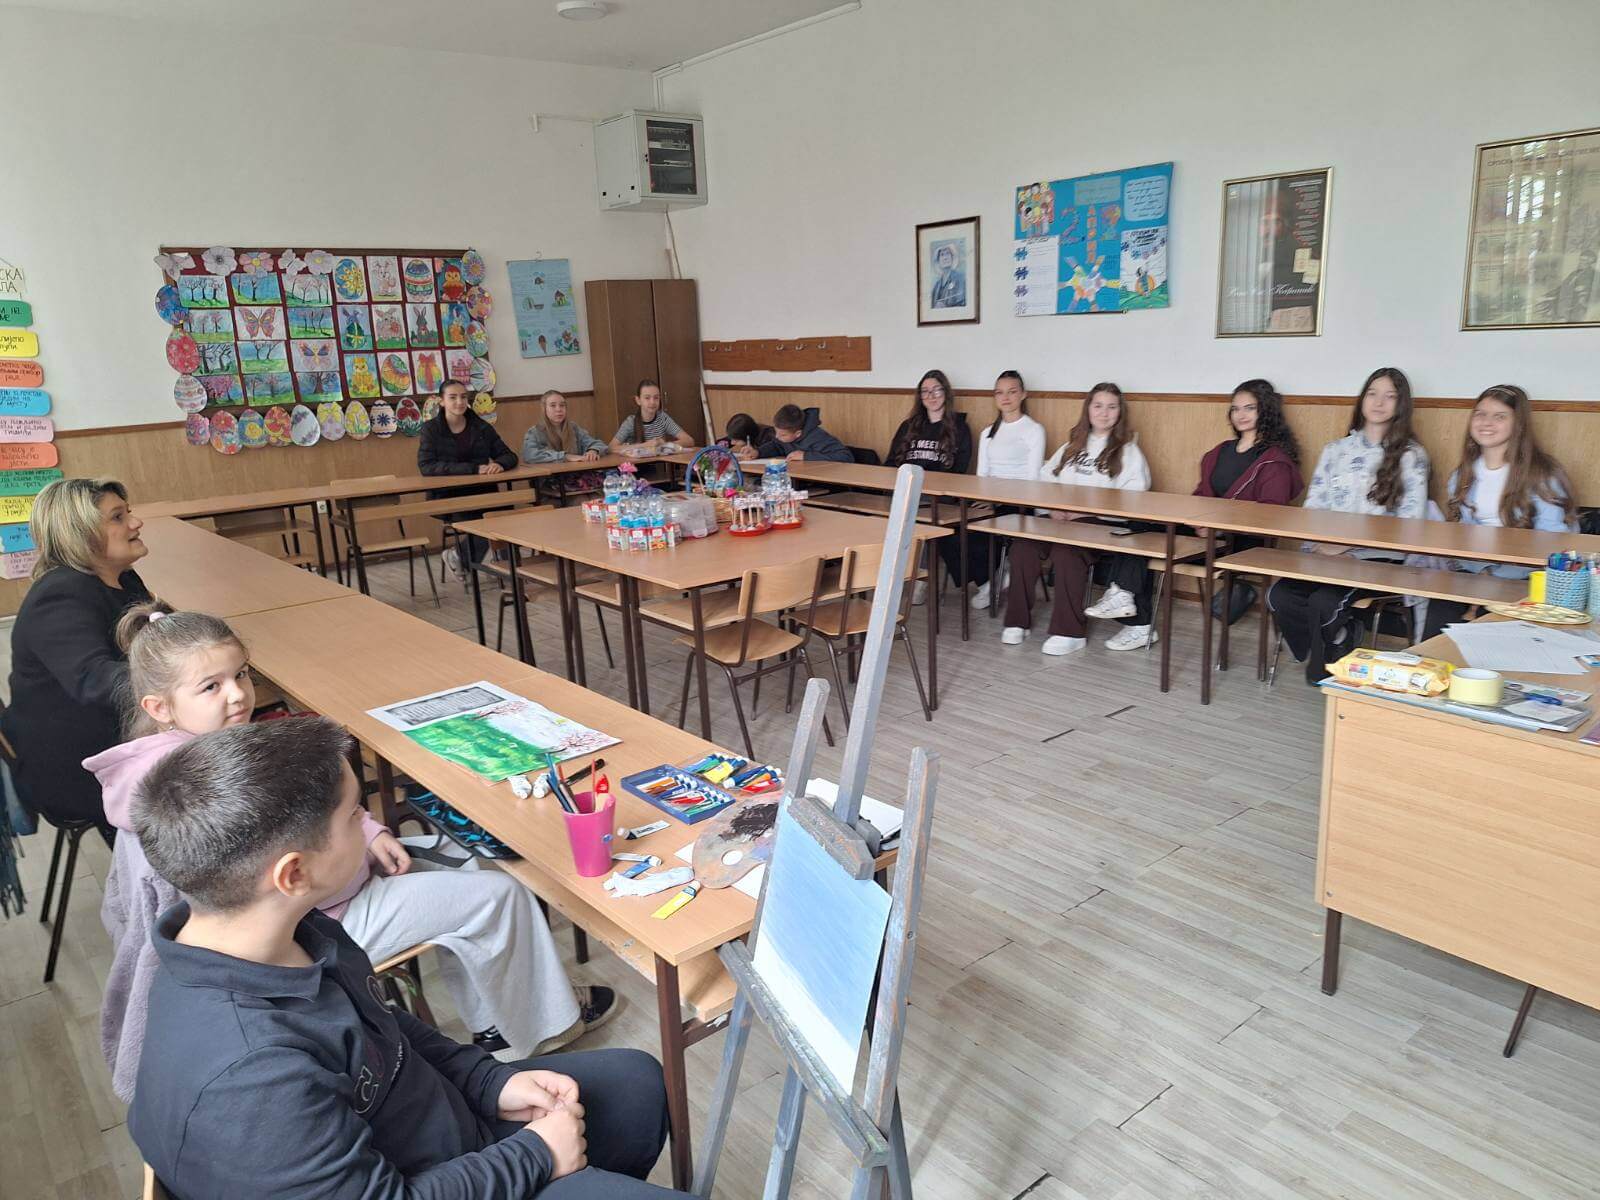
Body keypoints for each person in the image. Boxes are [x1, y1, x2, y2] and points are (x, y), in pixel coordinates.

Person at [127, 718, 688, 1199]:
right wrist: (536, 1157)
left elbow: (386, 1031)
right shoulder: (251, 1077)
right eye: (354, 816)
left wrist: (488, 1082)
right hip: (417, 1179)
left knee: (635, 1082)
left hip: (437, 1136)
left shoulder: (295, 931)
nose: (370, 825)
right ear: (294, 873)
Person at [89, 604, 609, 1103]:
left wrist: (368, 828)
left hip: (320, 897)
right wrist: (360, 836)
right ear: (159, 708)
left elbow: (307, 811)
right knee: (497, 894)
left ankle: (496, 1023)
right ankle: (545, 1029)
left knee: (464, 857)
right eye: (212, 686)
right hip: (312, 926)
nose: (239, 694)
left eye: (241, 674)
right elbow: (286, 874)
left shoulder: (186, 762)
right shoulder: (209, 787)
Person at [3, 478, 151, 842]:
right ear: (80, 534)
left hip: (109, 736)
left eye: (128, 512)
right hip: (74, 765)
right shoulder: (59, 596)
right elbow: (94, 679)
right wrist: (180, 681)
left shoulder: (122, 578)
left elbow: (155, 640)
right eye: (118, 517)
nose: (135, 523)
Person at [1267, 367, 1430, 683]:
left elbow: (1411, 522)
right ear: (1362, 399)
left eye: (1390, 396)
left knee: (1322, 603)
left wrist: (1349, 546)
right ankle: (1342, 636)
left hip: (1376, 557)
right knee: (1279, 597)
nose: (1379, 402)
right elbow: (1313, 507)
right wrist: (1321, 545)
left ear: (1401, 405)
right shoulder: (1336, 450)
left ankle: (1323, 666)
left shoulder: (1412, 455)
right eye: (1372, 393)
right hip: (1324, 552)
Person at [1001, 383, 1154, 654]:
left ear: (1120, 412)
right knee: (1023, 547)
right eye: (1098, 406)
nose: (1104, 413)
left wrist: (1085, 512)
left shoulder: (1128, 451)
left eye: (1111, 407)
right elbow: (1045, 480)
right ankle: (1016, 622)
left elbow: (1134, 499)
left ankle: (1069, 632)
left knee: (1066, 551)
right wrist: (1053, 508)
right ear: (1088, 409)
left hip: (1100, 523)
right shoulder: (1072, 446)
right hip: (1058, 518)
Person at [1415, 384, 1576, 639]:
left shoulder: (1542, 475)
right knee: (1439, 612)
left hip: (1522, 578)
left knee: (1491, 628)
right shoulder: (1461, 476)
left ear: (1518, 424)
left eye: (1499, 416)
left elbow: (1554, 543)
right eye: (1480, 414)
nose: (1486, 422)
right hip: (1472, 572)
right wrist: (1480, 572)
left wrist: (1496, 574)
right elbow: (1462, 536)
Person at [1193, 379, 1304, 623]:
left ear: (1266, 411)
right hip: (1209, 534)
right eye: (1235, 409)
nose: (1240, 415)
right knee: (1145, 531)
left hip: (1245, 541)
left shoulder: (1274, 460)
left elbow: (1269, 514)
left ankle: (1239, 588)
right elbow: (1201, 495)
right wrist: (1198, 523)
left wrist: (1218, 527)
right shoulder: (1219, 451)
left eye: (1249, 408)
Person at [886, 370, 973, 604]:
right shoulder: (908, 426)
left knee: (922, 517)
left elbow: (959, 470)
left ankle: (919, 579)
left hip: (938, 495)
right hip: (906, 490)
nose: (931, 396)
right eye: (925, 392)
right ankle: (889, 576)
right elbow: (891, 462)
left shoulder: (959, 428)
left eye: (936, 390)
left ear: (946, 393)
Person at [417, 380, 518, 578]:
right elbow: (426, 466)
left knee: (506, 514)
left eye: (463, 397)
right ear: (441, 401)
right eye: (453, 397)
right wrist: (473, 469)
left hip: (484, 492)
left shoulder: (481, 427)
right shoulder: (431, 429)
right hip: (448, 496)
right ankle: (461, 557)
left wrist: (500, 464)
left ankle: (508, 571)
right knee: (484, 522)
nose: (459, 402)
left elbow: (509, 455)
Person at [969, 371, 1047, 610]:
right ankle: (989, 582)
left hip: (1020, 501)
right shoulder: (988, 432)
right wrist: (986, 499)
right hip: (990, 498)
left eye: (1012, 392)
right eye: (1000, 392)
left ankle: (997, 577)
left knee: (985, 531)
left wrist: (997, 502)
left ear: (1023, 395)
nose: (1006, 397)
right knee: (956, 528)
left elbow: (1033, 478)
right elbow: (982, 474)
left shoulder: (1033, 430)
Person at [521, 389, 608, 496]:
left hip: (578, 481)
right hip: (549, 485)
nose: (559, 409)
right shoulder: (534, 432)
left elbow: (599, 444)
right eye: (553, 405)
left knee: (598, 499)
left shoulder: (573, 428)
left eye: (562, 405)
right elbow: (529, 455)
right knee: (581, 501)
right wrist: (565, 456)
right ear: (544, 409)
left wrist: (593, 450)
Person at [609, 379, 695, 452]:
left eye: (656, 398)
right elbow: (611, 448)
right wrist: (644, 445)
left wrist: (665, 444)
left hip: (657, 465)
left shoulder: (663, 418)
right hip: (634, 466)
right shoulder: (631, 421)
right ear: (638, 400)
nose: (652, 402)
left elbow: (689, 440)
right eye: (647, 398)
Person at [752, 404, 853, 463]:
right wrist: (758, 452)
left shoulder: (817, 437)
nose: (777, 436)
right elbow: (777, 446)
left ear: (798, 434)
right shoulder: (783, 436)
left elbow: (846, 456)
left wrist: (806, 456)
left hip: (823, 481)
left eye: (783, 435)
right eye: (775, 432)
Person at [930, 243, 966, 309]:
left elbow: (963, 304)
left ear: (952, 258)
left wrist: (946, 307)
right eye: (942, 255)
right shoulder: (936, 286)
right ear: (938, 261)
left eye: (947, 254)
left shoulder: (960, 278)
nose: (945, 258)